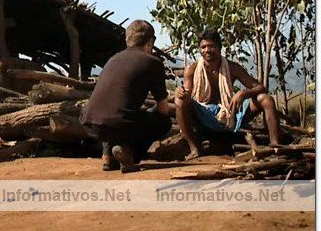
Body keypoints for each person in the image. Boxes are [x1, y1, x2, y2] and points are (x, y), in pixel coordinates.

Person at [81, 20, 171, 173]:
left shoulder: (113, 59)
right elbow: (163, 108)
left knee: (114, 115)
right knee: (163, 122)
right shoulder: (153, 62)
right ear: (150, 42)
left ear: (127, 40)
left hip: (89, 121)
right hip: (118, 124)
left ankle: (108, 156)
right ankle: (130, 155)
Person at [175, 30, 281, 159]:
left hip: (230, 112)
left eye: (211, 46)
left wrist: (243, 93)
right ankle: (194, 148)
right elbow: (186, 94)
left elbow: (260, 87)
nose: (207, 50)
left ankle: (275, 144)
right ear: (200, 50)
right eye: (203, 47)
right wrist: (180, 92)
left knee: (265, 99)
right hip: (203, 114)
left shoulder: (232, 67)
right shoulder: (192, 69)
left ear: (219, 48)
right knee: (179, 101)